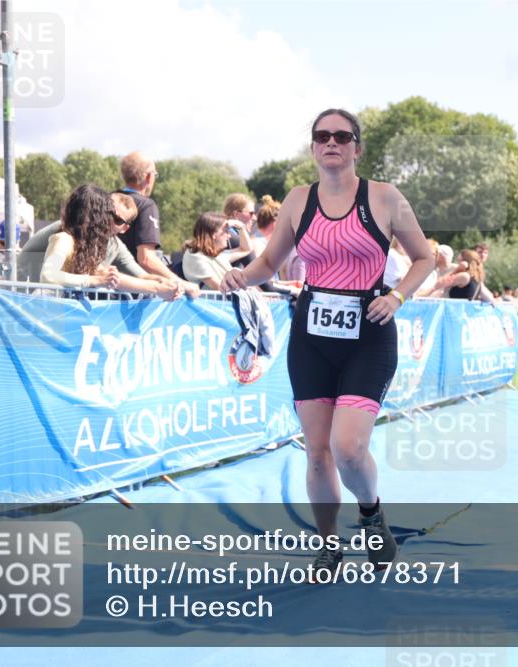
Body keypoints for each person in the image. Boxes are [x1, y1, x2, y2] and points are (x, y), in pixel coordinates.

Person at [220, 108, 434, 577]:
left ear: (357, 147)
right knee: (316, 451)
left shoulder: (384, 197)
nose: (331, 142)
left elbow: (425, 258)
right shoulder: (299, 200)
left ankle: (372, 511)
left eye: (342, 135)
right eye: (322, 136)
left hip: (369, 334)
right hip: (312, 336)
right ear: (314, 147)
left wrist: (397, 297)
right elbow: (269, 264)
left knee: (348, 448)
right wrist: (241, 276)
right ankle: (328, 544)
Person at [40, 184, 182, 300]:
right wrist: (95, 280)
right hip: (44, 313)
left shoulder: (85, 243)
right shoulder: (65, 238)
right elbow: (48, 275)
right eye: (106, 214)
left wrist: (164, 283)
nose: (107, 220)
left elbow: (109, 276)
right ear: (92, 216)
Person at [116, 152, 201, 298]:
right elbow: (146, 259)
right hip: (131, 296)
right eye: (155, 174)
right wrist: (181, 283)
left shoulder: (107, 200)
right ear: (149, 177)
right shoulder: (145, 205)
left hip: (102, 290)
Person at [181, 212, 254, 290]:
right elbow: (222, 288)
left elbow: (246, 249)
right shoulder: (195, 258)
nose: (229, 235)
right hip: (210, 301)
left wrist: (239, 226)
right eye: (226, 231)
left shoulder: (215, 255)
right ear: (213, 234)